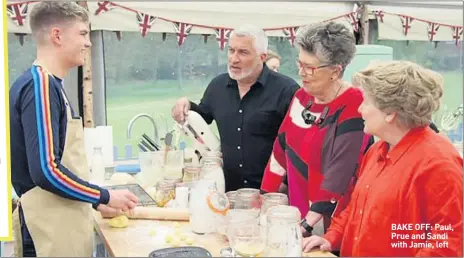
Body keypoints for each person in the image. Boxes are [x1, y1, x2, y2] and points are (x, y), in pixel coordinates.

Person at [9, 2, 138, 257]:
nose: (88, 42)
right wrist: (103, 196)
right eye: (82, 33)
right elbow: (47, 171)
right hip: (45, 228)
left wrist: (95, 202)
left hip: (60, 222)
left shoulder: (52, 85)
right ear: (57, 35)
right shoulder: (41, 87)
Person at [302, 60, 463, 257]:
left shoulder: (439, 163)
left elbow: (447, 243)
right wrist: (331, 238)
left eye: (366, 102)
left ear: (390, 113)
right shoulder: (378, 149)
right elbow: (356, 209)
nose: (360, 109)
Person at [260, 21, 371, 236]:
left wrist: (308, 224)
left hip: (332, 219)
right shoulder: (302, 96)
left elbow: (341, 170)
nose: (301, 73)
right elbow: (280, 149)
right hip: (298, 210)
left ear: (335, 71)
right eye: (299, 64)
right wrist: (264, 198)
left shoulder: (354, 104)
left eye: (309, 68)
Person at [172, 24, 299, 191]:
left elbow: (300, 146)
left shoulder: (287, 90)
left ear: (262, 56)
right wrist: (186, 105)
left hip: (272, 195)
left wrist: (282, 188)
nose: (234, 59)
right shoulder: (217, 86)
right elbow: (203, 116)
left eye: (243, 52)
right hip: (227, 193)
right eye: (231, 51)